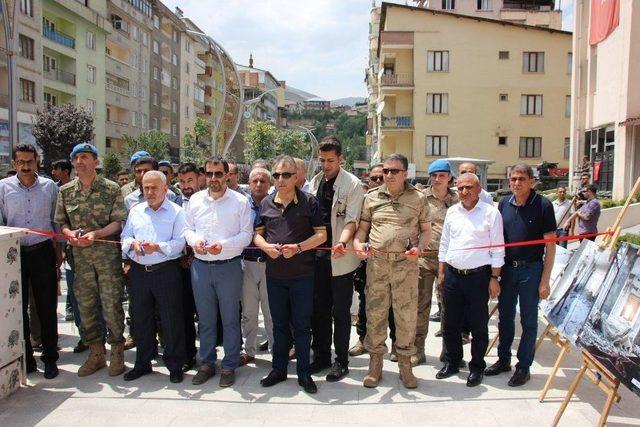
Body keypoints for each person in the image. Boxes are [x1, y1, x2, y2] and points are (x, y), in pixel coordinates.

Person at [353, 153, 432, 389]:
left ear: (405, 174)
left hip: (405, 267)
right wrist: (358, 245)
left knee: (405, 317)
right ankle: (375, 365)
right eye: (385, 171)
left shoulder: (418, 198)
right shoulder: (371, 197)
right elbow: (362, 229)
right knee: (375, 314)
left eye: (394, 171)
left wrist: (419, 248)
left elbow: (426, 231)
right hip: (377, 266)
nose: (388, 175)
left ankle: (405, 366)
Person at [254, 155, 326, 394]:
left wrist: (298, 248)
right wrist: (265, 247)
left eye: (286, 175)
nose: (281, 179)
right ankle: (279, 370)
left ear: (296, 177)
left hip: (303, 276)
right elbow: (257, 235)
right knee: (279, 326)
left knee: (303, 326)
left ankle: (304, 374)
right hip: (275, 277)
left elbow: (322, 236)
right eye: (276, 175)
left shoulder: (310, 202)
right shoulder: (265, 203)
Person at [55, 142, 128, 377]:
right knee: (85, 307)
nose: (79, 162)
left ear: (96, 161)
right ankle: (96, 352)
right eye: (76, 158)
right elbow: (62, 223)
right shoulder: (66, 191)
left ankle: (117, 352)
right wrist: (70, 235)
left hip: (106, 259)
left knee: (111, 305)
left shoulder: (111, 188)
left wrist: (97, 234)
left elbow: (118, 222)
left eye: (85, 157)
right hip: (80, 260)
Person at [184, 157, 253, 387]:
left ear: (227, 175)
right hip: (201, 267)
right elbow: (187, 230)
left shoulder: (240, 202)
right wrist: (196, 241)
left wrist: (223, 245)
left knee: (231, 319)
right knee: (205, 320)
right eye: (210, 173)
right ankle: (207, 363)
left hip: (229, 267)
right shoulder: (194, 201)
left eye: (218, 174)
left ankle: (230, 364)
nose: (214, 179)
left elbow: (246, 236)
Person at [487, 164, 556, 386]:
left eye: (521, 179)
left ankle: (523, 367)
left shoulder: (543, 205)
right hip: (507, 269)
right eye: (513, 179)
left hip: (531, 270)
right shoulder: (504, 204)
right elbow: (497, 240)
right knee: (505, 317)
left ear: (532, 181)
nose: (517, 183)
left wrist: (545, 280)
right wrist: (494, 275)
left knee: (528, 321)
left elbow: (551, 246)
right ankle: (503, 360)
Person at [435, 173, 504, 387]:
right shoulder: (452, 212)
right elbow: (445, 243)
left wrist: (494, 277)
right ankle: (453, 362)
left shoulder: (491, 213)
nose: (464, 192)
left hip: (478, 277)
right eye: (460, 188)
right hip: (453, 275)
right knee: (451, 323)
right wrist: (441, 271)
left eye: (469, 188)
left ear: (478, 188)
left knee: (478, 325)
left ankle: (477, 367)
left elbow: (498, 248)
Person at [0, 144, 62, 379]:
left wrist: (59, 252)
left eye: (30, 161)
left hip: (43, 252)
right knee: (18, 308)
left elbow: (56, 223)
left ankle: (50, 359)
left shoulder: (49, 188)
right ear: (14, 163)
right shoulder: (3, 188)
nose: (26, 166)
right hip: (12, 256)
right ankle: (27, 359)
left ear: (37, 161)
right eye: (21, 162)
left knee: (46, 308)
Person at [121, 171, 186, 384]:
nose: (149, 192)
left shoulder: (177, 212)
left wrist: (158, 247)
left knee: (171, 320)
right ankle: (143, 363)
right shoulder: (136, 211)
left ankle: (175, 365)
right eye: (145, 188)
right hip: (139, 273)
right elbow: (125, 237)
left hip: (166, 271)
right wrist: (133, 245)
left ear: (165, 189)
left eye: (154, 188)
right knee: (141, 320)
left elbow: (180, 243)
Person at [308, 136, 365, 381]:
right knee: (318, 311)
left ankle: (341, 361)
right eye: (322, 160)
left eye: (331, 160)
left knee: (340, 312)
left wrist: (342, 242)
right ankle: (321, 357)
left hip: (340, 257)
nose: (326, 165)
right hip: (317, 257)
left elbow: (351, 219)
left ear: (341, 159)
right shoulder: (315, 181)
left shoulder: (353, 184)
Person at [349, 164, 398, 359]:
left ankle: (395, 343)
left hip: (392, 262)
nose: (378, 181)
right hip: (366, 262)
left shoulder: (393, 200)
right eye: (374, 178)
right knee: (365, 302)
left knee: (393, 305)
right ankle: (363, 339)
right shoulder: (363, 200)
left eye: (381, 177)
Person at [413, 159, 459, 367]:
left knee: (448, 307)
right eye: (434, 176)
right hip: (424, 258)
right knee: (420, 306)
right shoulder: (421, 198)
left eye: (442, 175)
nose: (437, 179)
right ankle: (417, 351)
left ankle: (448, 353)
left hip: (448, 261)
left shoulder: (458, 200)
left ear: (449, 177)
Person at [239, 167, 274, 366]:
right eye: (255, 181)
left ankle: (276, 350)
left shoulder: (275, 204)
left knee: (271, 313)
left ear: (269, 184)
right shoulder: (241, 205)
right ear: (249, 183)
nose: (259, 185)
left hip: (270, 265)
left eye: (263, 181)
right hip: (247, 264)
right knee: (249, 313)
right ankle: (249, 350)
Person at [175, 162, 200, 371]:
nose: (186, 185)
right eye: (182, 181)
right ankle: (188, 355)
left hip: (203, 263)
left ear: (198, 178)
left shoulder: (207, 200)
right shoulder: (173, 202)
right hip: (179, 267)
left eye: (190, 180)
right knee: (183, 313)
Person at [51, 159, 74, 322]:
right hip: (62, 241)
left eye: (56, 169)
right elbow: (57, 221)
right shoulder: (53, 189)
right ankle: (69, 307)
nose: (53, 172)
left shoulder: (73, 190)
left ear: (65, 171)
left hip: (75, 242)